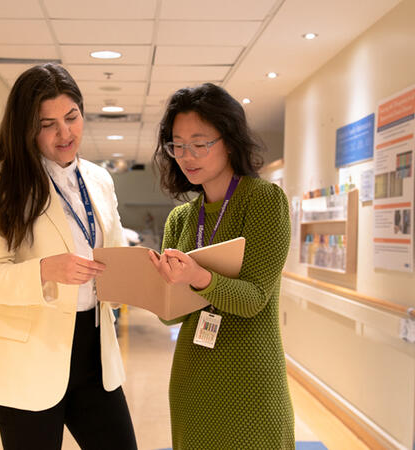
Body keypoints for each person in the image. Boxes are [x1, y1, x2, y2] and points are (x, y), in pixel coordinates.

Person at [0, 63, 137, 450]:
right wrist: (45, 270)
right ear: (27, 127)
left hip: (93, 350)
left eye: (72, 117)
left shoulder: (98, 179)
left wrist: (143, 270)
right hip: (29, 358)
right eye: (48, 124)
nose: (65, 133)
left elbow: (113, 252)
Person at [149, 83, 294, 449]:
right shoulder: (181, 219)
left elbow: (253, 299)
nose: (187, 155)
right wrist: (153, 288)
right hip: (192, 380)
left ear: (229, 140)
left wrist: (196, 276)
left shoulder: (263, 200)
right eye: (177, 145)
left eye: (199, 143)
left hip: (251, 380)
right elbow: (170, 317)